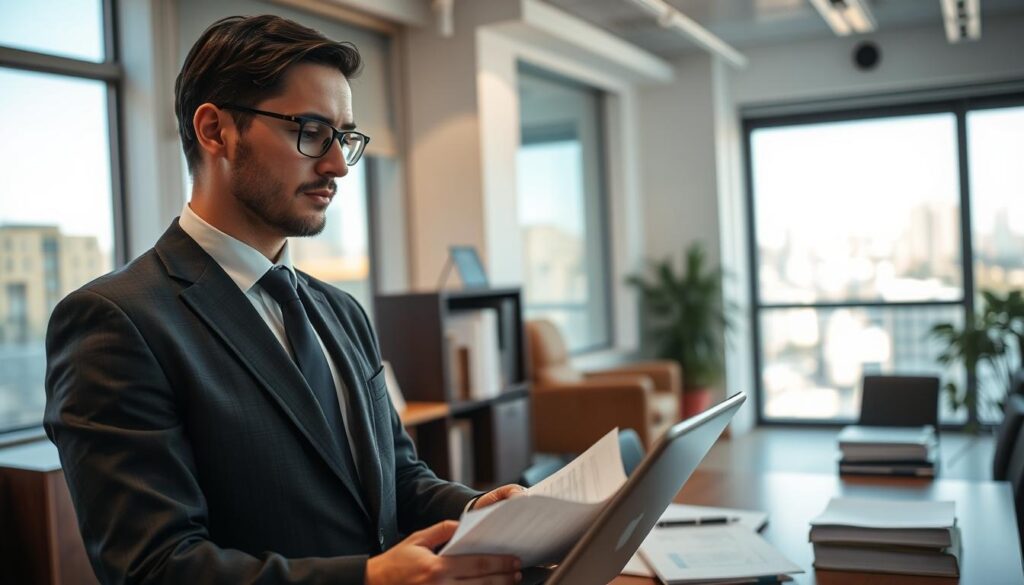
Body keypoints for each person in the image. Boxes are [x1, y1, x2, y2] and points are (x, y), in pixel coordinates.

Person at [45, 14, 524, 585]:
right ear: (215, 130)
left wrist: (482, 510)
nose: (338, 165)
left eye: (344, 136)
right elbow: (152, 567)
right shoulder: (115, 322)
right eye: (312, 131)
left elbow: (396, 477)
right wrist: (367, 580)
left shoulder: (340, 311)